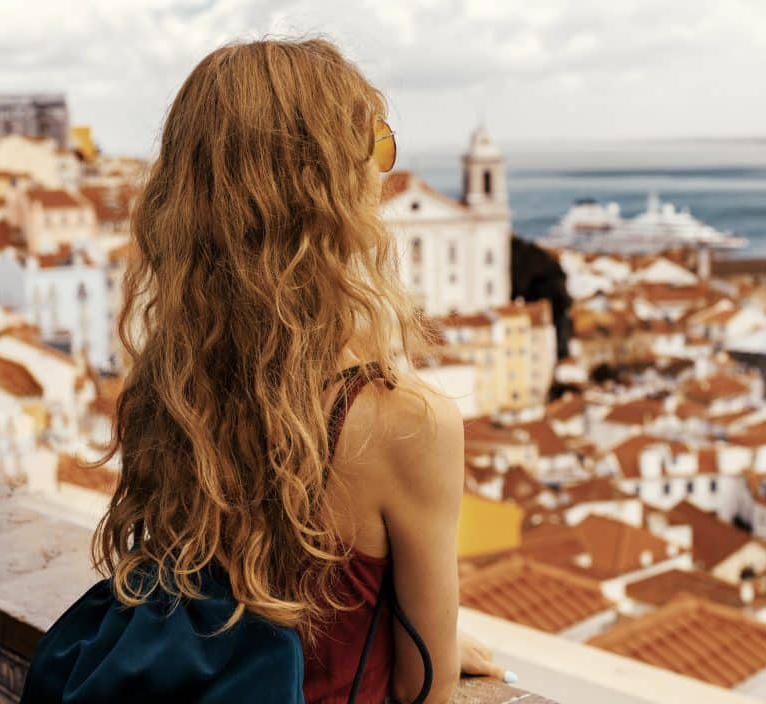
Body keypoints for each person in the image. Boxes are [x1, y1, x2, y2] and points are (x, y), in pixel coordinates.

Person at [92, 37, 506, 703]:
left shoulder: (168, 386)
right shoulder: (401, 423)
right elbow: (418, 685)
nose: (383, 173)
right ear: (331, 189)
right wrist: (438, 641)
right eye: (376, 148)